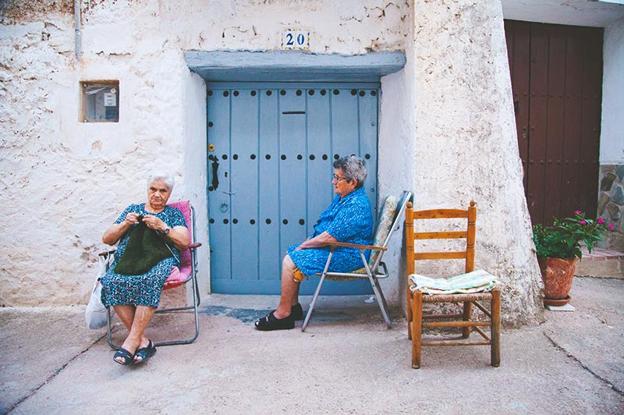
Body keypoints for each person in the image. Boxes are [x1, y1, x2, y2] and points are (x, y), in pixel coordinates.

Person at [255, 155, 373, 331]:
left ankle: (283, 315)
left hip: (350, 256)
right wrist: (308, 243)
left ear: (353, 182)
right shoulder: (345, 198)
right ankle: (293, 308)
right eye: (334, 176)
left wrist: (306, 245)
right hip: (339, 250)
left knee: (291, 260)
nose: (333, 181)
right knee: (293, 254)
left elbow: (330, 237)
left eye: (338, 178)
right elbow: (327, 229)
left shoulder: (356, 205)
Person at [101, 173, 190, 365]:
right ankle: (143, 342)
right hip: (128, 260)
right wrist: (125, 223)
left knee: (150, 279)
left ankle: (132, 341)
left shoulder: (174, 214)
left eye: (163, 191)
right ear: (147, 190)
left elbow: (184, 242)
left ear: (169, 193)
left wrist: (163, 227)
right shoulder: (133, 210)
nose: (157, 194)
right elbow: (107, 239)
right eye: (153, 189)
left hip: (161, 260)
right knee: (111, 281)